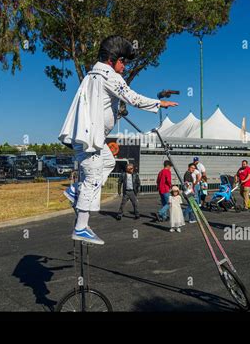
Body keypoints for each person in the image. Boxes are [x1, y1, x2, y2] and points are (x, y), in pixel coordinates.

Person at [59, 35, 178, 244]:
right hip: (90, 139)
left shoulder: (91, 76)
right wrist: (160, 103)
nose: (124, 66)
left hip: (88, 137)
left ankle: (74, 190)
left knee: (108, 161)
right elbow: (133, 98)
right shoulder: (109, 76)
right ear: (111, 60)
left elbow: (101, 104)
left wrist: (115, 110)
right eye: (122, 61)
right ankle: (81, 227)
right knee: (94, 175)